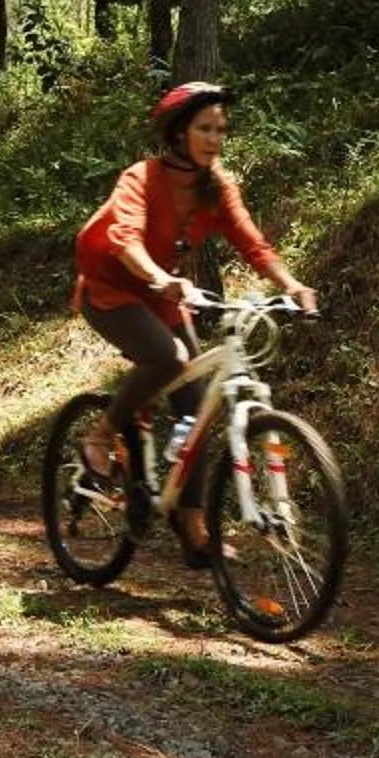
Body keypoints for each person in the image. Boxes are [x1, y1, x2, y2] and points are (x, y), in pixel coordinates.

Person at [71, 80, 317, 561]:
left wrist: (291, 285)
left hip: (164, 293)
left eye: (221, 129)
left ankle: (192, 523)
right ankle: (100, 433)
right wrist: (161, 277)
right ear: (179, 133)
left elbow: (253, 244)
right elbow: (124, 239)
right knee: (168, 356)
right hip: (112, 286)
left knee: (198, 405)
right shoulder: (140, 177)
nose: (215, 138)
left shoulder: (216, 187)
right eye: (205, 128)